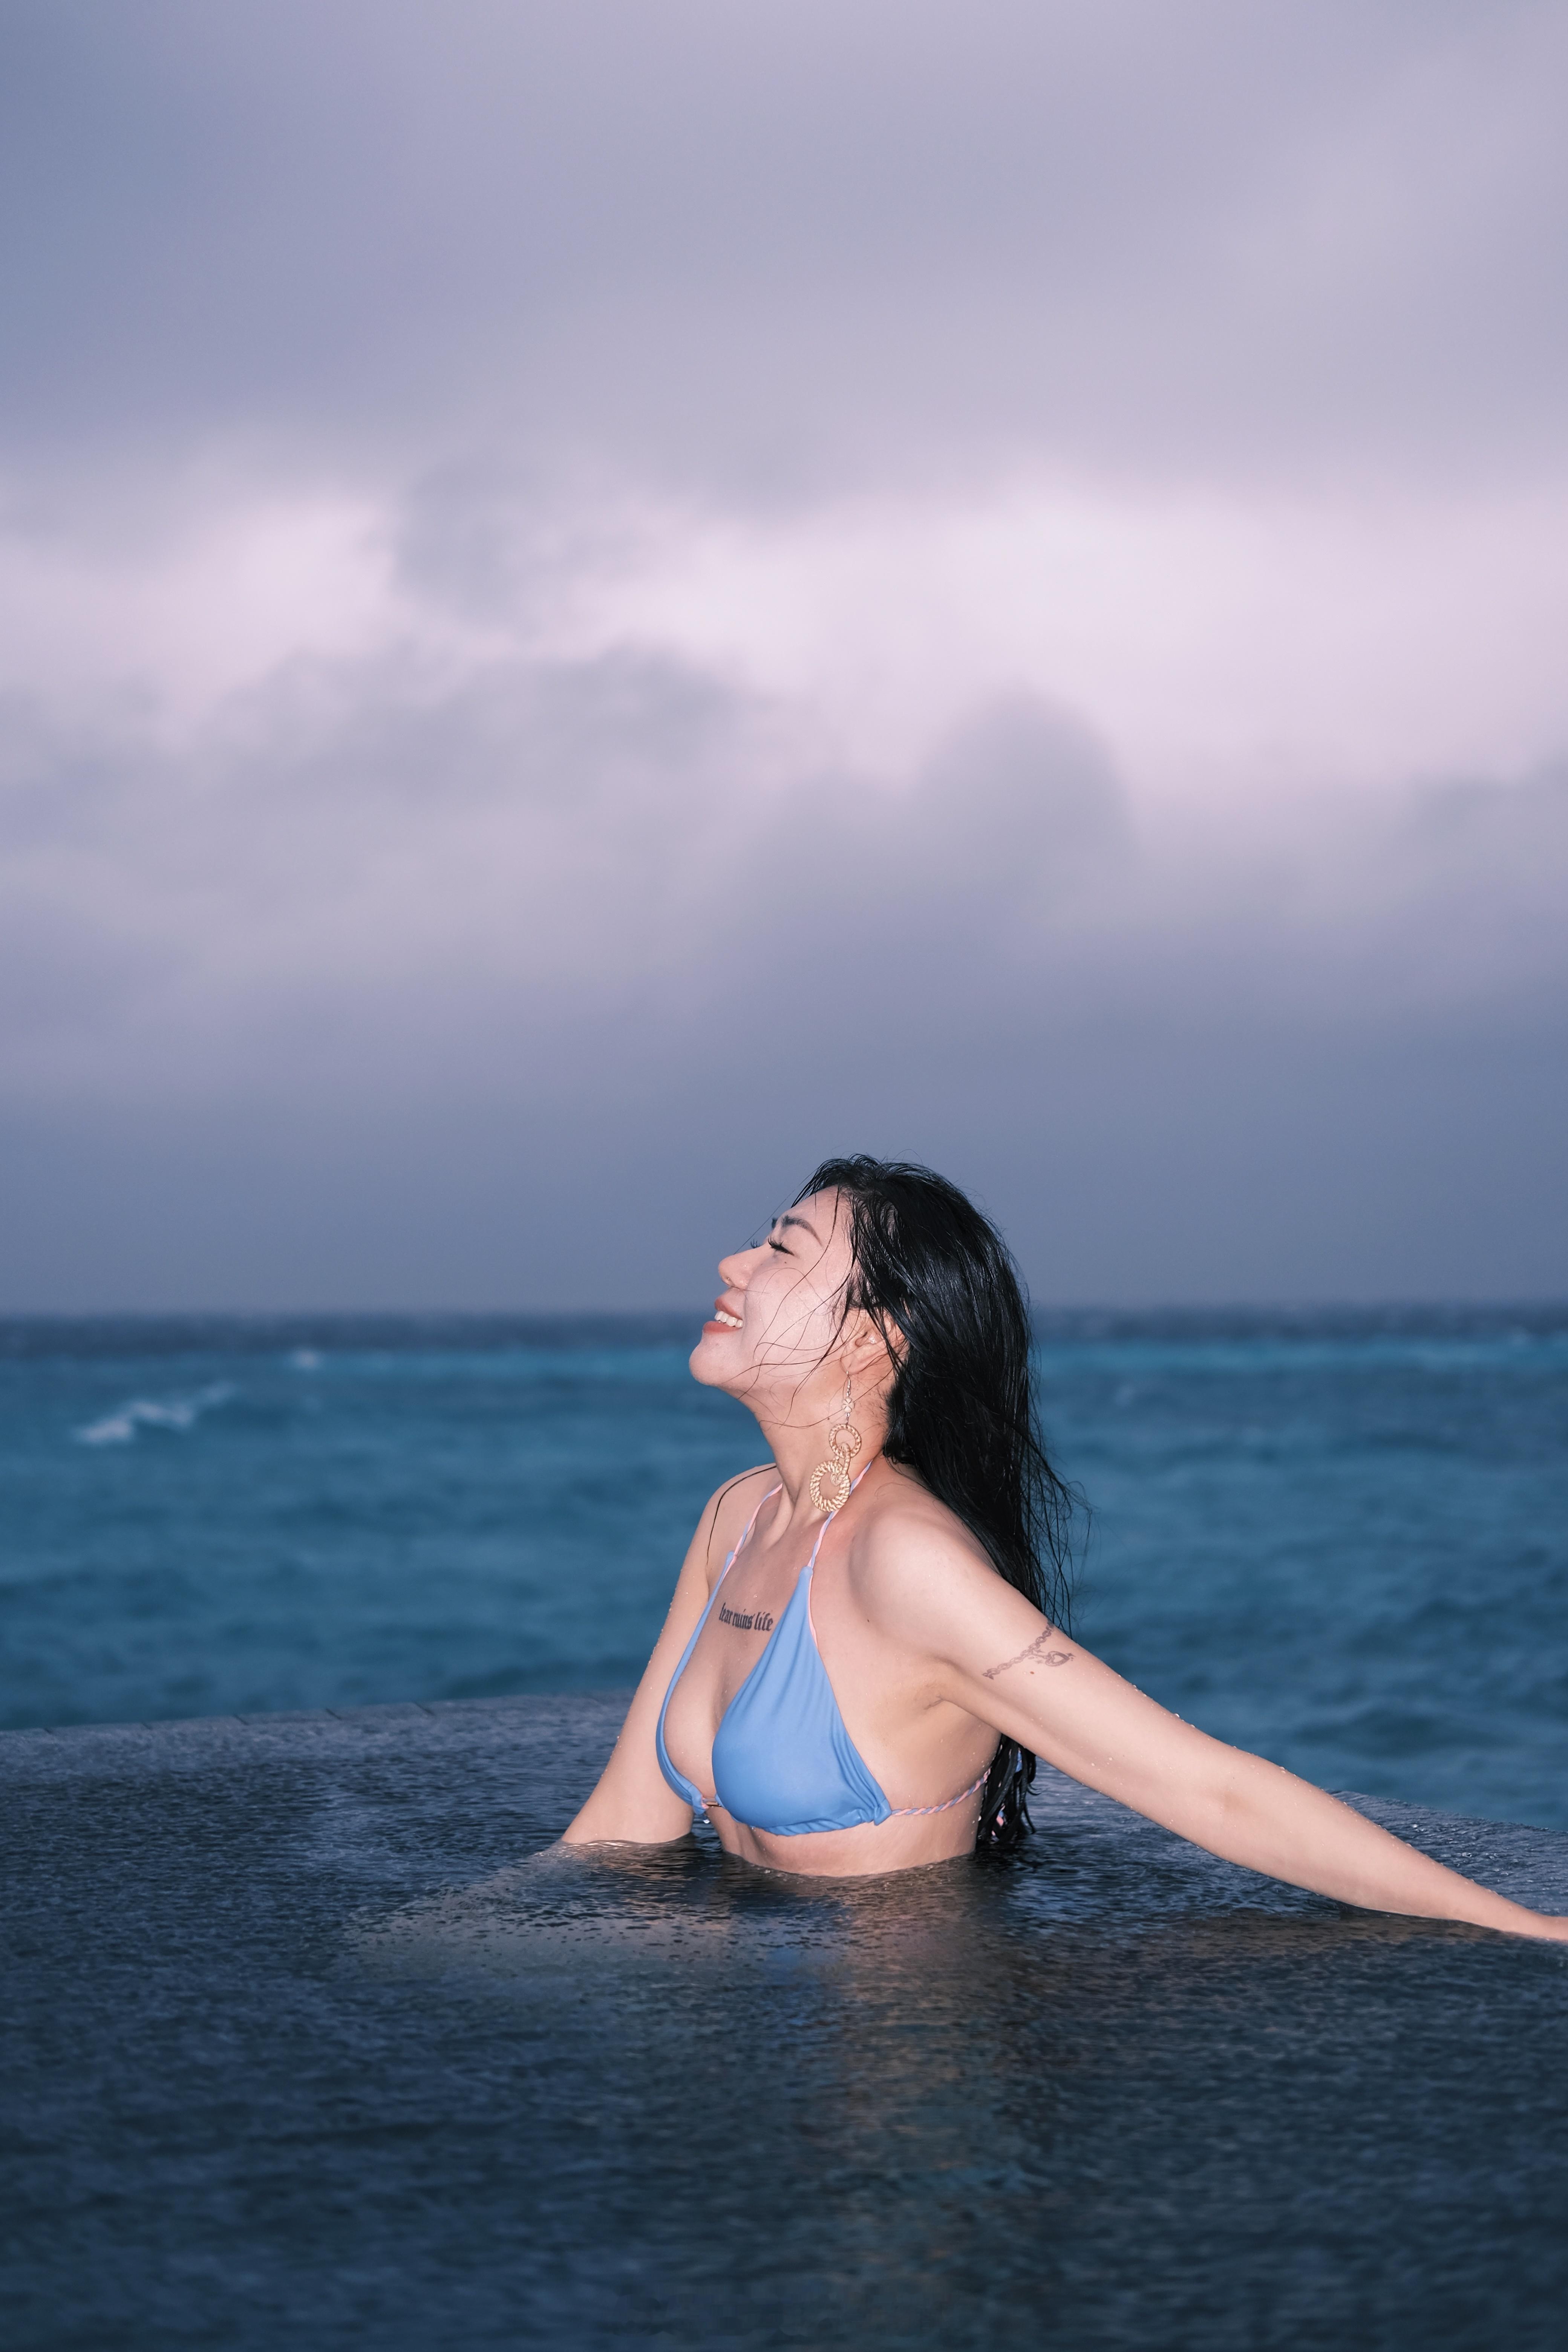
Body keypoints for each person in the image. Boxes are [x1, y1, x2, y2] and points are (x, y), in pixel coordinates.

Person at [565, 1156, 1567, 1938]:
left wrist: (1523, 1926)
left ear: (875, 1337)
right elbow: (622, 1825)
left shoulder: (906, 1567)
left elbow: (1204, 1786)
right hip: (742, 2039)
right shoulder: (736, 1520)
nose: (733, 1265)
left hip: (884, 2084)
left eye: (781, 1251)